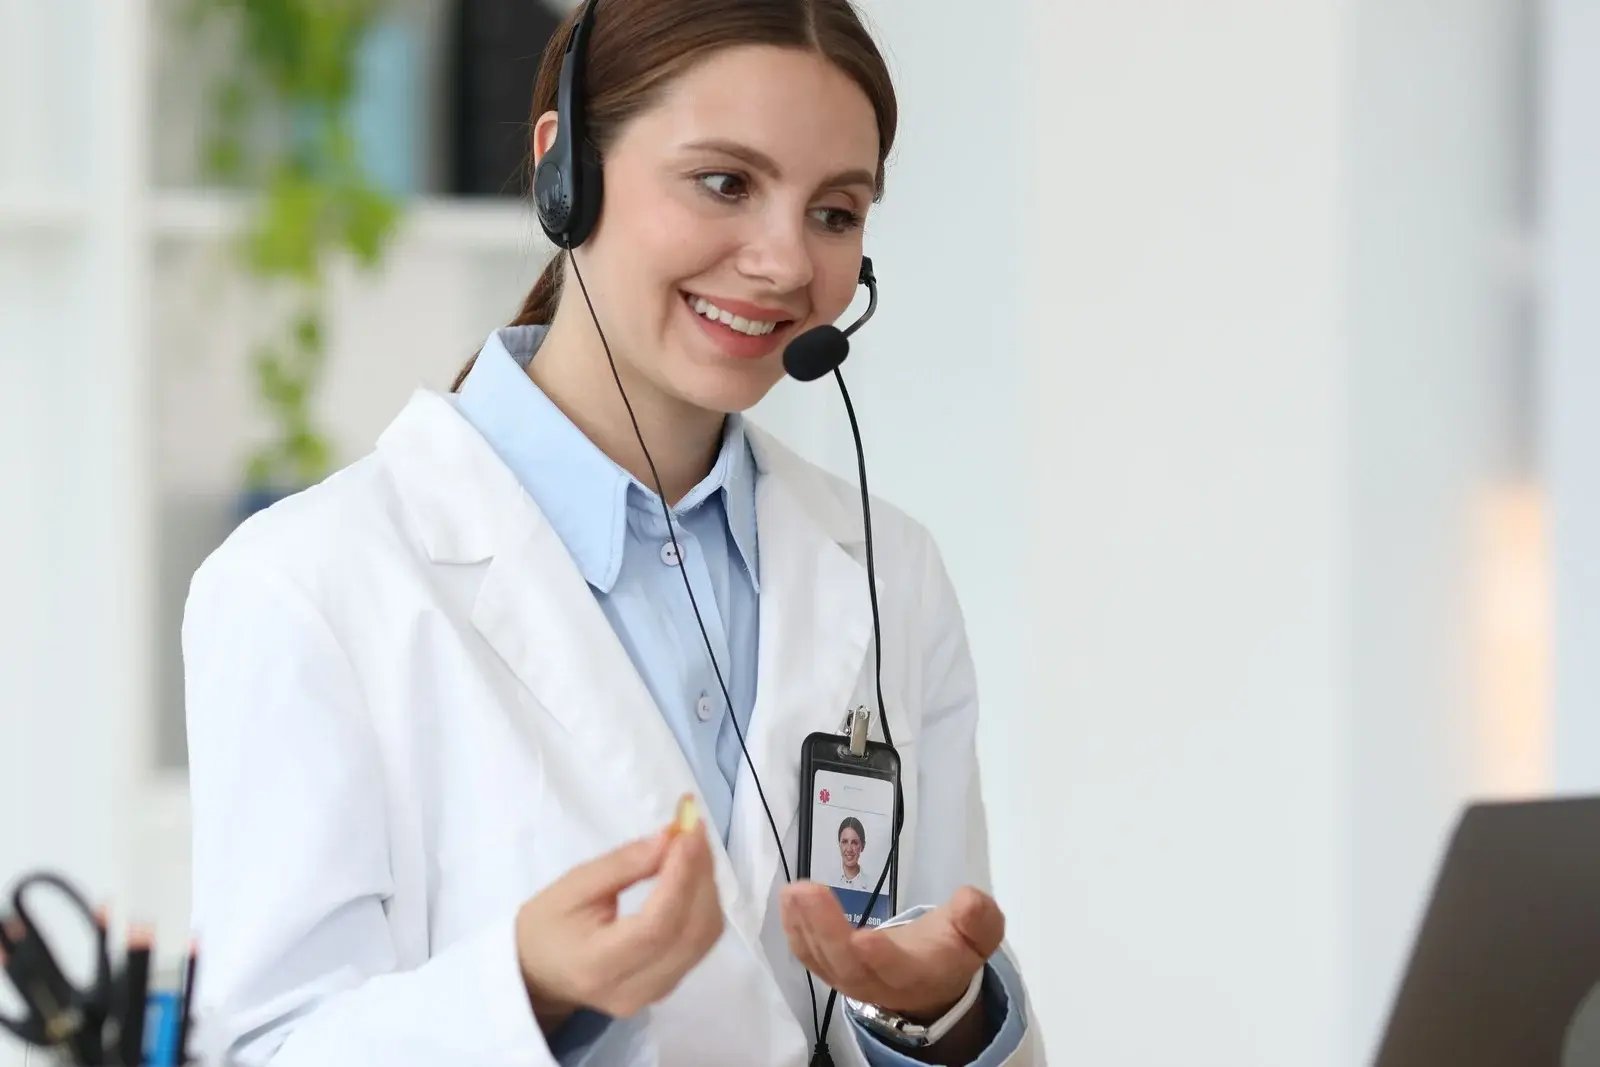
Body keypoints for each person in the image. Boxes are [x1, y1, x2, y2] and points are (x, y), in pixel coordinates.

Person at [182, 1, 1042, 1064]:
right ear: (566, 170)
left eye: (835, 211)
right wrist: (526, 989)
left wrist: (944, 1016)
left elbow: (927, 952)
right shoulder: (304, 583)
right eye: (725, 182)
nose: (783, 263)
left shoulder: (889, 569)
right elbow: (263, 1045)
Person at [837, 817, 868, 889]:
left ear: (862, 846)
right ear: (839, 844)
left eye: (854, 843)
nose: (849, 849)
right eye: (845, 842)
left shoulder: (872, 885)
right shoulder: (827, 881)